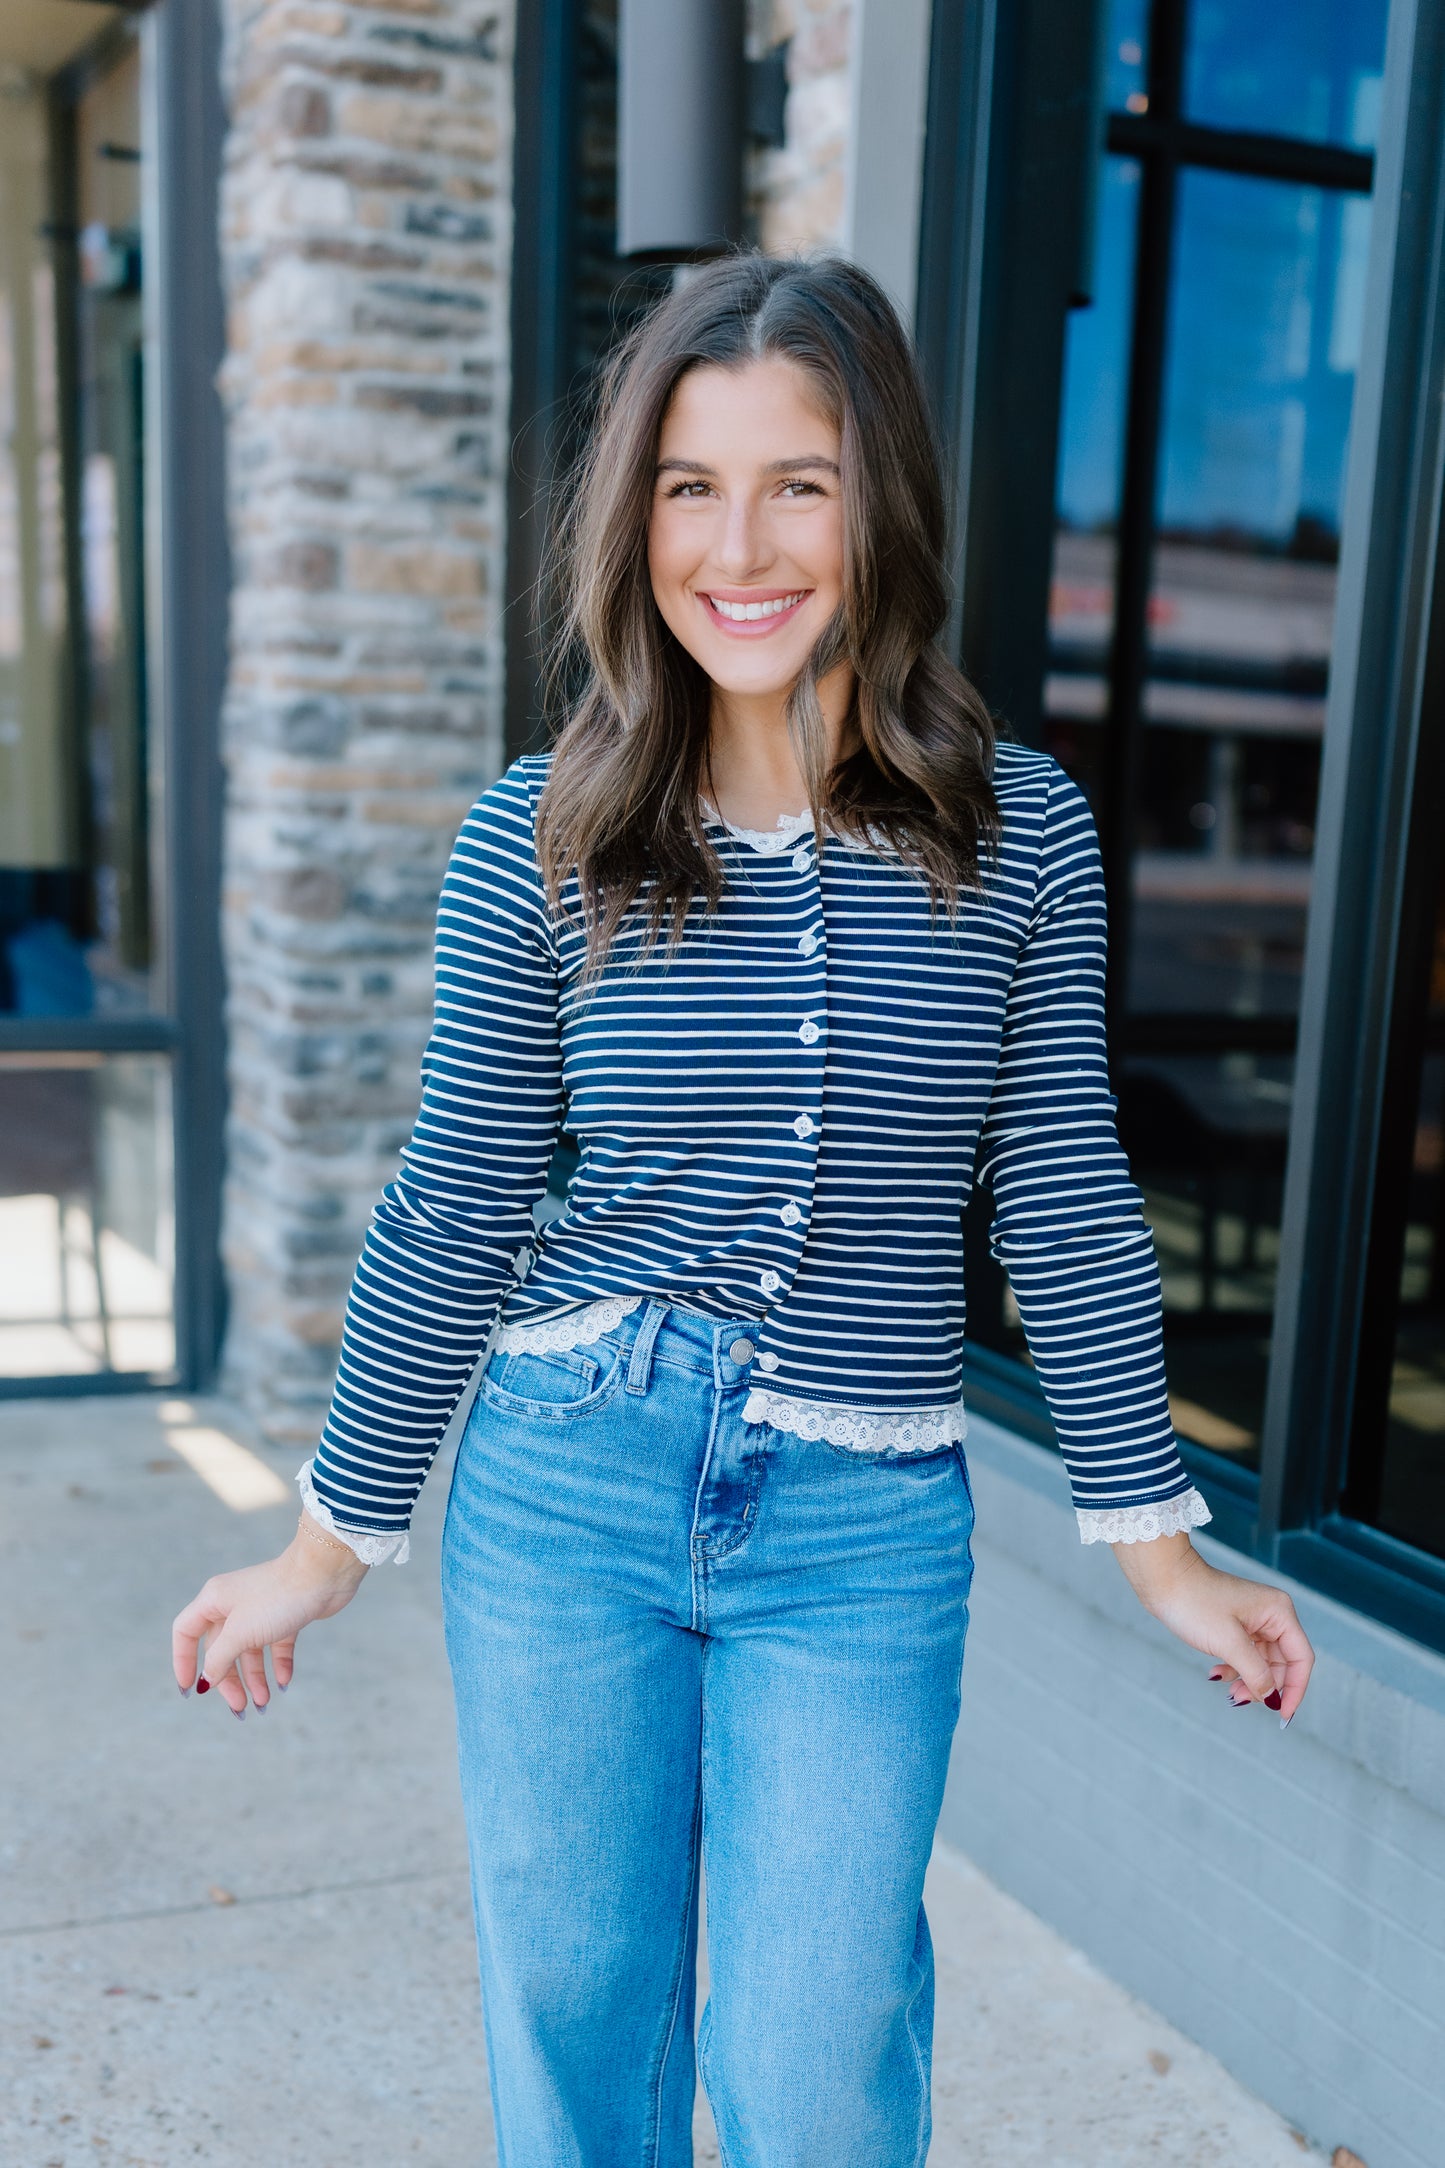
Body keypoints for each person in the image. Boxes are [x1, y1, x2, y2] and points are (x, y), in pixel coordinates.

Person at [172, 253, 1313, 2165]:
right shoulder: (539, 829)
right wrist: (326, 1542)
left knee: (807, 2062)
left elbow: (1055, 1182)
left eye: (800, 480)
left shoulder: (1014, 829)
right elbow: (455, 1199)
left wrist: (1155, 1540)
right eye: (689, 488)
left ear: (882, 505)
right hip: (564, 1489)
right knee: (579, 2032)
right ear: (634, 522)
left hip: (859, 1526)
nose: (740, 546)